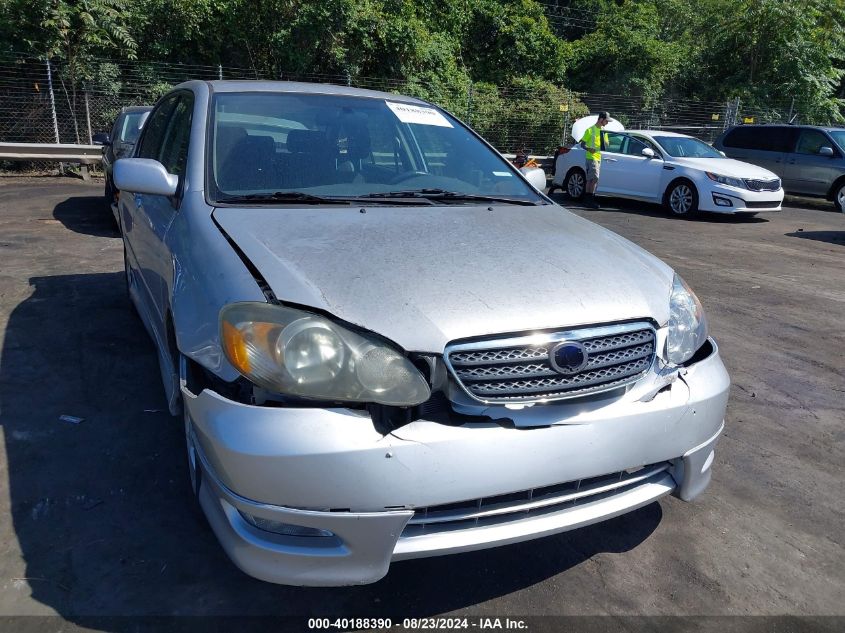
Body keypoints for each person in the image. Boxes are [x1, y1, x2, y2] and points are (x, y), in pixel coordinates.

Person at [580, 111, 610, 209]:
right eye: (606, 121)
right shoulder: (590, 130)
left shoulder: (604, 131)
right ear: (601, 119)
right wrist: (589, 149)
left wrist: (606, 142)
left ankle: (587, 200)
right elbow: (582, 144)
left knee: (591, 179)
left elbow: (606, 145)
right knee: (595, 178)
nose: (607, 123)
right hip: (591, 157)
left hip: (599, 157)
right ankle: (590, 200)